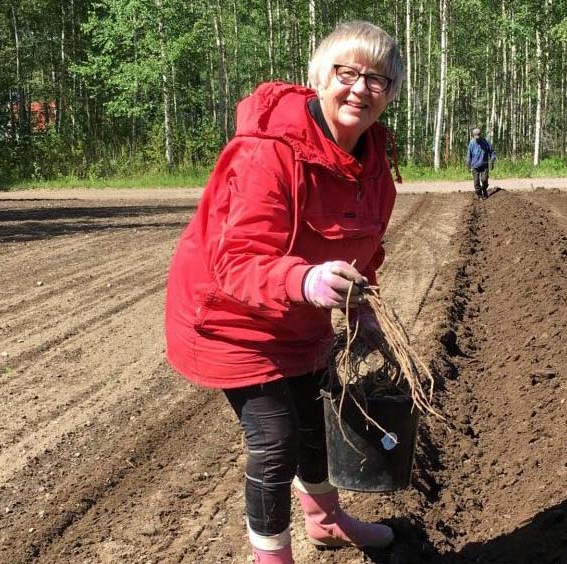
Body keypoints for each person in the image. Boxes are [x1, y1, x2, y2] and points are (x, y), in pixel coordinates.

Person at [164, 21, 404, 564]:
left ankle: (325, 520)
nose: (360, 89)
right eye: (347, 72)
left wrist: (360, 305)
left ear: (390, 94)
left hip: (301, 314)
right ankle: (271, 558)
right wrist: (305, 279)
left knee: (319, 416)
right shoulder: (269, 152)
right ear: (321, 77)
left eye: (378, 79)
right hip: (228, 315)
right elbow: (237, 260)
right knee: (275, 439)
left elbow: (365, 246)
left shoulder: (373, 166)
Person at [466, 128, 496, 198]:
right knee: (476, 182)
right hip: (474, 166)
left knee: (484, 180)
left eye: (479, 136)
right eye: (476, 137)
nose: (478, 139)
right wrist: (468, 164)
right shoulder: (472, 143)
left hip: (484, 165)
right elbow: (469, 155)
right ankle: (478, 194)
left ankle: (484, 190)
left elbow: (492, 152)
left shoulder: (486, 142)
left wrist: (492, 161)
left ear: (481, 135)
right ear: (473, 136)